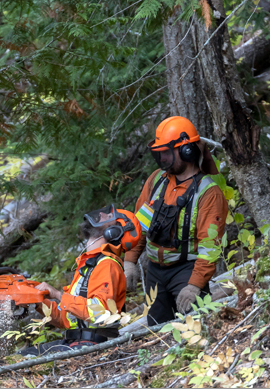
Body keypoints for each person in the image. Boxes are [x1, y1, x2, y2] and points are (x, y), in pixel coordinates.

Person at [123, 116, 228, 326]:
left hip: (186, 270)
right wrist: (129, 261)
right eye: (159, 153)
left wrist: (194, 285)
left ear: (187, 150)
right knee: (157, 333)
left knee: (195, 327)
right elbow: (140, 226)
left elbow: (210, 246)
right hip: (155, 272)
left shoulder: (208, 192)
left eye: (167, 153)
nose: (162, 159)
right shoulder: (157, 180)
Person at [18, 205, 141, 356]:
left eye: (108, 217)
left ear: (114, 232)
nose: (101, 213)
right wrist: (37, 300)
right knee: (16, 358)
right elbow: (66, 319)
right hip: (77, 342)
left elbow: (99, 313)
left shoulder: (107, 265)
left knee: (23, 360)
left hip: (94, 345)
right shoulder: (89, 264)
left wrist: (57, 294)